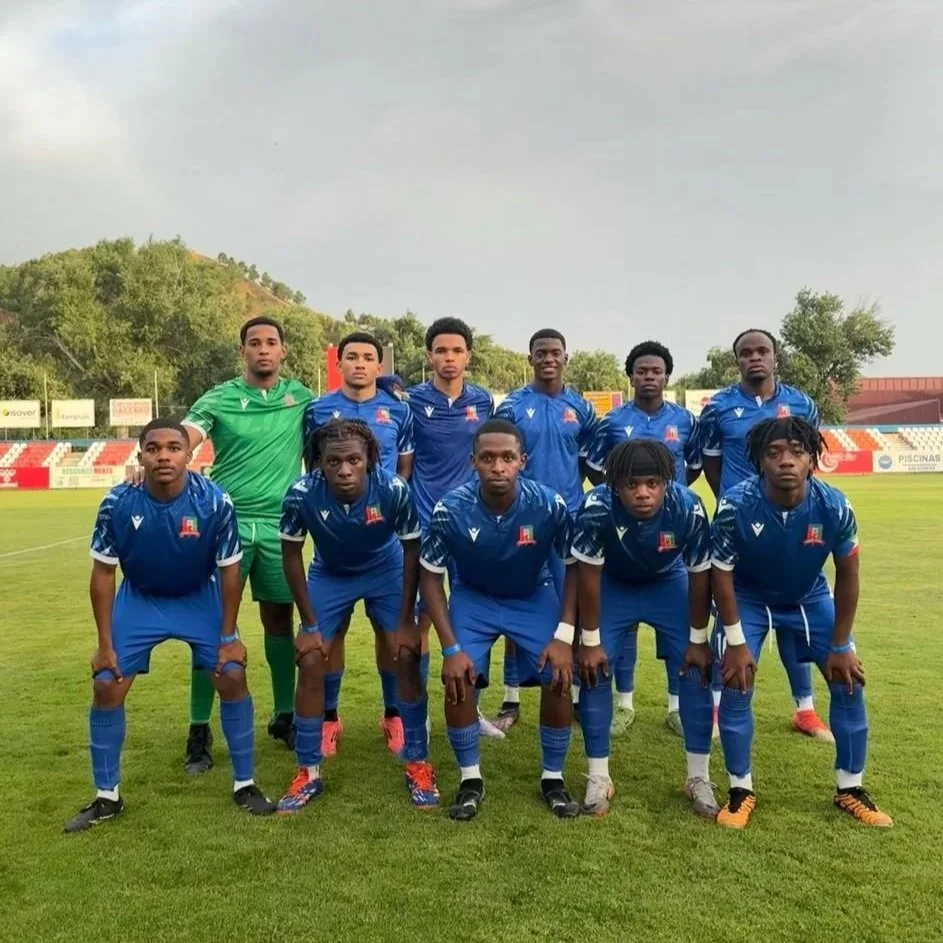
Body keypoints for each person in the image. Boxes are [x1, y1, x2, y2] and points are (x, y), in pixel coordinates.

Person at [66, 419, 275, 832]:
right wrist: (104, 643)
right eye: (154, 448)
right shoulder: (117, 503)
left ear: (189, 453)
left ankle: (245, 784)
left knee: (231, 674)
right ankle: (107, 797)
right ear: (140, 454)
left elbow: (231, 571)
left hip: (198, 597)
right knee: (107, 681)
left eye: (174, 448)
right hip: (141, 598)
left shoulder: (215, 502)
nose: (164, 455)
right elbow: (103, 575)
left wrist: (229, 635)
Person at [710, 417, 892, 829]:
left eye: (796, 452)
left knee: (848, 681)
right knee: (737, 683)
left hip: (809, 597)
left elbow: (848, 572)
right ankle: (740, 790)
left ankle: (850, 788)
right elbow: (719, 573)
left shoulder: (834, 506)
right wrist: (735, 640)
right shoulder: (735, 505)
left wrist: (842, 645)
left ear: (813, 460)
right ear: (759, 462)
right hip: (748, 598)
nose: (786, 461)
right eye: (774, 454)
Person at [419, 419, 581, 820]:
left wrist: (564, 634)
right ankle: (470, 779)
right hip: (474, 600)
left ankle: (553, 779)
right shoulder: (450, 510)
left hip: (532, 596)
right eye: (487, 458)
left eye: (507, 457)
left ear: (522, 461)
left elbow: (573, 567)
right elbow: (429, 577)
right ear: (473, 461)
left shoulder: (548, 505)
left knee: (559, 676)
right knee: (458, 679)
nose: (498, 466)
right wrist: (450, 647)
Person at [277, 419, 438, 811]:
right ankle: (308, 770)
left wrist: (405, 622)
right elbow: (291, 555)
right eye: (333, 462)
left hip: (386, 569)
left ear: (370, 460)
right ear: (318, 463)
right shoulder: (301, 495)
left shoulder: (394, 490)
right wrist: (309, 625)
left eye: (353, 460)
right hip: (330, 574)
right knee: (312, 657)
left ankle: (417, 761)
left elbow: (413, 552)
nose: (344, 470)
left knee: (408, 652)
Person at [180, 317, 313, 773]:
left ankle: (285, 716)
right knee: (215, 626)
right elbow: (185, 438)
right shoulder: (218, 397)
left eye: (270, 342)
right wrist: (155, 457)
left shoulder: (301, 398)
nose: (262, 350)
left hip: (281, 527)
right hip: (227, 525)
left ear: (284, 351)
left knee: (280, 618)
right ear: (243, 352)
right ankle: (199, 728)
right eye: (253, 343)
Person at [699, 329, 832, 743]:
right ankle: (721, 710)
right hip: (738, 525)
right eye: (746, 352)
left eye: (763, 351)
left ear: (775, 356)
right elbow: (711, 465)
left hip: (790, 521)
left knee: (797, 615)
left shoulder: (802, 404)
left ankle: (805, 710)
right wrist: (736, 500)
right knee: (730, 613)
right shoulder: (717, 407)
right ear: (736, 359)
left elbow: (809, 453)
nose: (755, 357)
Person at [572, 440, 716, 818]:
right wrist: (588, 641)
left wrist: (699, 639)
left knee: (696, 668)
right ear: (614, 484)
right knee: (594, 668)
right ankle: (598, 775)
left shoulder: (688, 506)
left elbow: (701, 575)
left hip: (668, 583)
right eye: (632, 484)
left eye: (653, 483)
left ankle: (698, 777)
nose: (642, 493)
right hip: (613, 586)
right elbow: (587, 576)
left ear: (667, 482)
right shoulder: (595, 506)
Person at [303, 331, 415, 758]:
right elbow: (311, 472)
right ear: (340, 363)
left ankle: (393, 716)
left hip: (382, 542)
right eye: (352, 357)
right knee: (329, 637)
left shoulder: (396, 410)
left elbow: (404, 470)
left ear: (379, 365)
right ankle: (329, 719)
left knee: (391, 637)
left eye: (369, 357)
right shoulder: (317, 409)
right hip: (334, 546)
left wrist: (380, 512)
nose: (361, 364)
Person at [584, 340, 702, 739]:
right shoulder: (613, 421)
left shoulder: (685, 420)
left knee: (678, 626)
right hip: (624, 531)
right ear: (630, 376)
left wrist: (667, 502)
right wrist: (625, 504)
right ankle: (624, 703)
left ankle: (676, 706)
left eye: (656, 371)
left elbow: (695, 468)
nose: (649, 377)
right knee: (624, 627)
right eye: (641, 371)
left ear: (667, 376)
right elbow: (598, 469)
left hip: (671, 533)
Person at [492, 329, 598, 730]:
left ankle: (568, 691)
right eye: (541, 353)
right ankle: (511, 696)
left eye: (555, 352)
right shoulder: (515, 406)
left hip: (568, 521)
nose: (548, 358)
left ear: (566, 358)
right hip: (523, 521)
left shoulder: (581, 408)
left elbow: (589, 463)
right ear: (531, 357)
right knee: (514, 602)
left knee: (568, 608)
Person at [404, 317, 502, 739]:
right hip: (426, 522)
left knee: (472, 614)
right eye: (440, 351)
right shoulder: (409, 400)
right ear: (429, 356)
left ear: (468, 356)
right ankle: (419, 714)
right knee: (423, 619)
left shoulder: (482, 402)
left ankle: (471, 709)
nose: (449, 358)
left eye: (456, 351)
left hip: (472, 524)